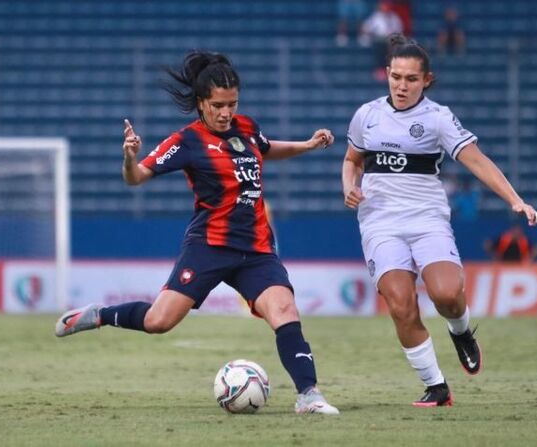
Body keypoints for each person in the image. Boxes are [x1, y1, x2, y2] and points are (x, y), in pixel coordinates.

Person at [55, 51, 339, 415]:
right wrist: (129, 157)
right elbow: (136, 177)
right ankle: (99, 315)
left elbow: (265, 149)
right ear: (201, 103)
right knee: (159, 322)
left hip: (255, 248)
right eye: (218, 105)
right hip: (209, 246)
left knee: (284, 309)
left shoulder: (246, 127)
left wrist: (307, 145)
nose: (226, 113)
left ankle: (309, 394)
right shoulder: (187, 141)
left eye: (232, 104)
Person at [342, 34, 537, 407]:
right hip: (380, 222)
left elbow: (477, 160)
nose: (402, 86)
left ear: (426, 80)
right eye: (396, 77)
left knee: (447, 295)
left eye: (411, 79)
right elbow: (352, 159)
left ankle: (461, 331)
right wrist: (348, 186)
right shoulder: (366, 115)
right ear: (386, 73)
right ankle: (436, 387)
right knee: (401, 304)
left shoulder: (437, 119)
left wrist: (515, 199)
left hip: (426, 219)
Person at [360, 0, 404, 81]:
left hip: (390, 40)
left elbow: (399, 30)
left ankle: (391, 69)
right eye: (384, 6)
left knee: (394, 46)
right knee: (380, 45)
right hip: (379, 40)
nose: (386, 8)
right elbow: (366, 27)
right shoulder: (376, 17)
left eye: (387, 6)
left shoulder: (394, 17)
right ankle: (379, 70)